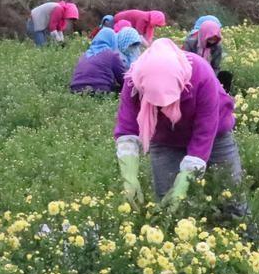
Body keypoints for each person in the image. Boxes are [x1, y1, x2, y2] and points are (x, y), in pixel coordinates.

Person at [113, 38, 247, 220]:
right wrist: (129, 177)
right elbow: (127, 128)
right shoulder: (134, 81)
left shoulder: (201, 75)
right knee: (169, 202)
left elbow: (204, 132)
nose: (162, 110)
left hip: (215, 136)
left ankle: (246, 238)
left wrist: (184, 181)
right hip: (165, 140)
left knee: (232, 197)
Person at [70, 26, 146, 95]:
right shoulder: (112, 55)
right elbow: (123, 79)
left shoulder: (85, 54)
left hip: (74, 90)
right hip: (98, 90)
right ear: (113, 40)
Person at [185, 14, 234, 94]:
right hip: (191, 74)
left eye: (215, 40)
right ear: (203, 35)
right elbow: (186, 64)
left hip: (209, 75)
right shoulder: (190, 43)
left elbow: (215, 67)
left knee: (226, 76)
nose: (212, 42)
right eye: (209, 39)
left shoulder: (217, 47)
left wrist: (211, 80)